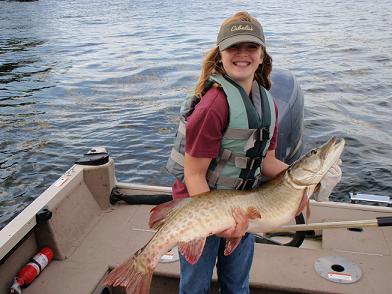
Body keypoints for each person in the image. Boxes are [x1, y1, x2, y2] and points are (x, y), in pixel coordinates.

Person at [166, 11, 341, 294]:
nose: (242, 54)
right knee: (195, 287)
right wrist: (218, 224)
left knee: (237, 285)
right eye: (234, 47)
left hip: (243, 207)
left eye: (251, 47)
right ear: (220, 54)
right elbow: (193, 174)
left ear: (262, 55)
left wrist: (310, 178)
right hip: (198, 207)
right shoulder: (213, 107)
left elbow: (268, 162)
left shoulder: (266, 104)